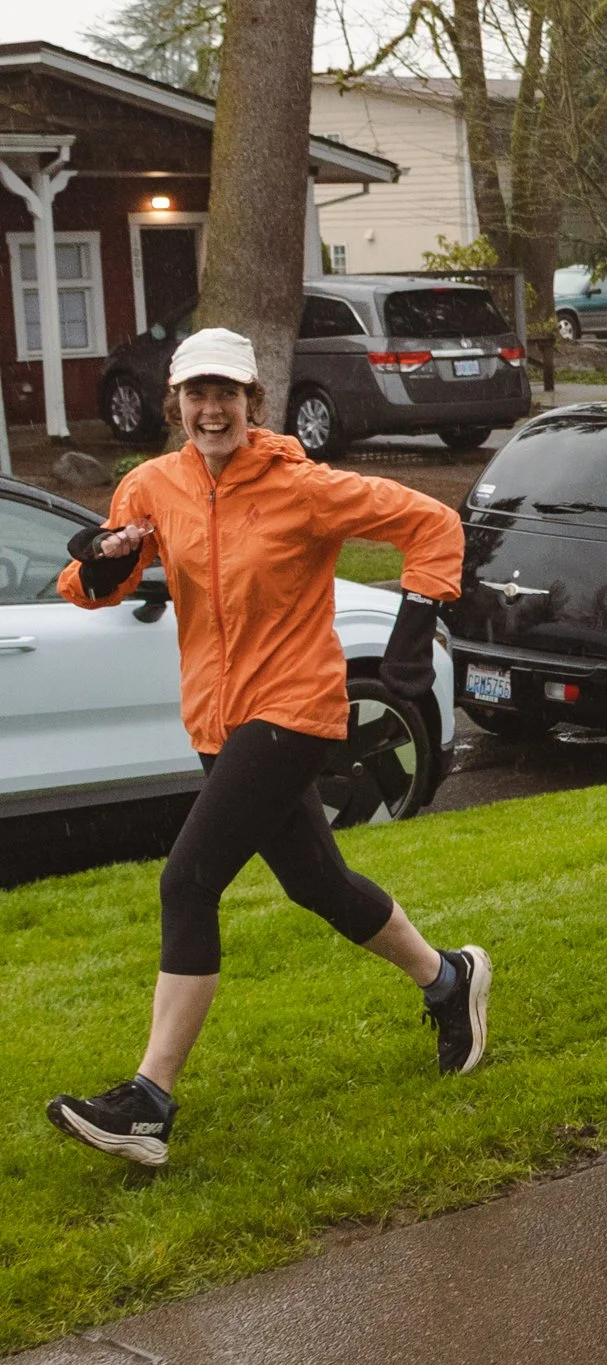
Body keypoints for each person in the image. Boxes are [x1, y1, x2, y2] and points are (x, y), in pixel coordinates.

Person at [45, 328, 485, 1168]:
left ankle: (149, 1099)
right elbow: (96, 587)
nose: (212, 410)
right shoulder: (152, 485)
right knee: (318, 883)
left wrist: (413, 629)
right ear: (176, 403)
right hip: (217, 720)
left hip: (293, 710)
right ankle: (448, 977)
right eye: (197, 395)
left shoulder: (302, 487)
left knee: (188, 879)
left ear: (253, 402)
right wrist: (101, 563)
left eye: (228, 394)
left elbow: (431, 524)